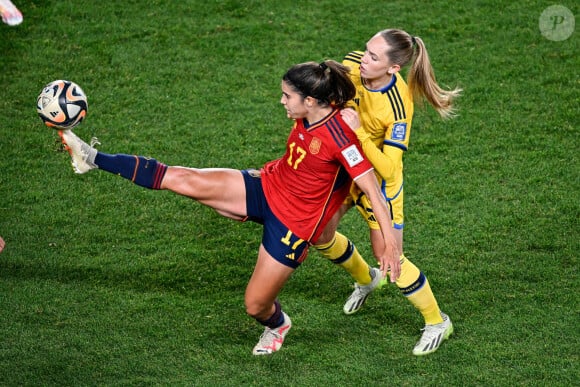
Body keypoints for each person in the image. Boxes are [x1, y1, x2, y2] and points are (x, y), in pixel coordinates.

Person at [57, 60, 401, 355]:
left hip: (292, 226)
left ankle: (278, 325)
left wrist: (389, 246)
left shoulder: (341, 135)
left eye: (287, 96)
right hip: (267, 185)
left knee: (255, 305)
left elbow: (373, 190)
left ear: (310, 101)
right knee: (182, 178)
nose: (281, 101)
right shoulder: (318, 104)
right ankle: (92, 158)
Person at [314, 29, 462, 356]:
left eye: (373, 57)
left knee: (391, 261)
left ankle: (437, 322)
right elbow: (332, 83)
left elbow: (389, 168)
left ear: (393, 68)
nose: (363, 59)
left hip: (378, 187)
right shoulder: (354, 65)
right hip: (345, 174)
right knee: (319, 232)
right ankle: (367, 280)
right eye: (366, 50)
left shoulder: (398, 106)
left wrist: (358, 133)